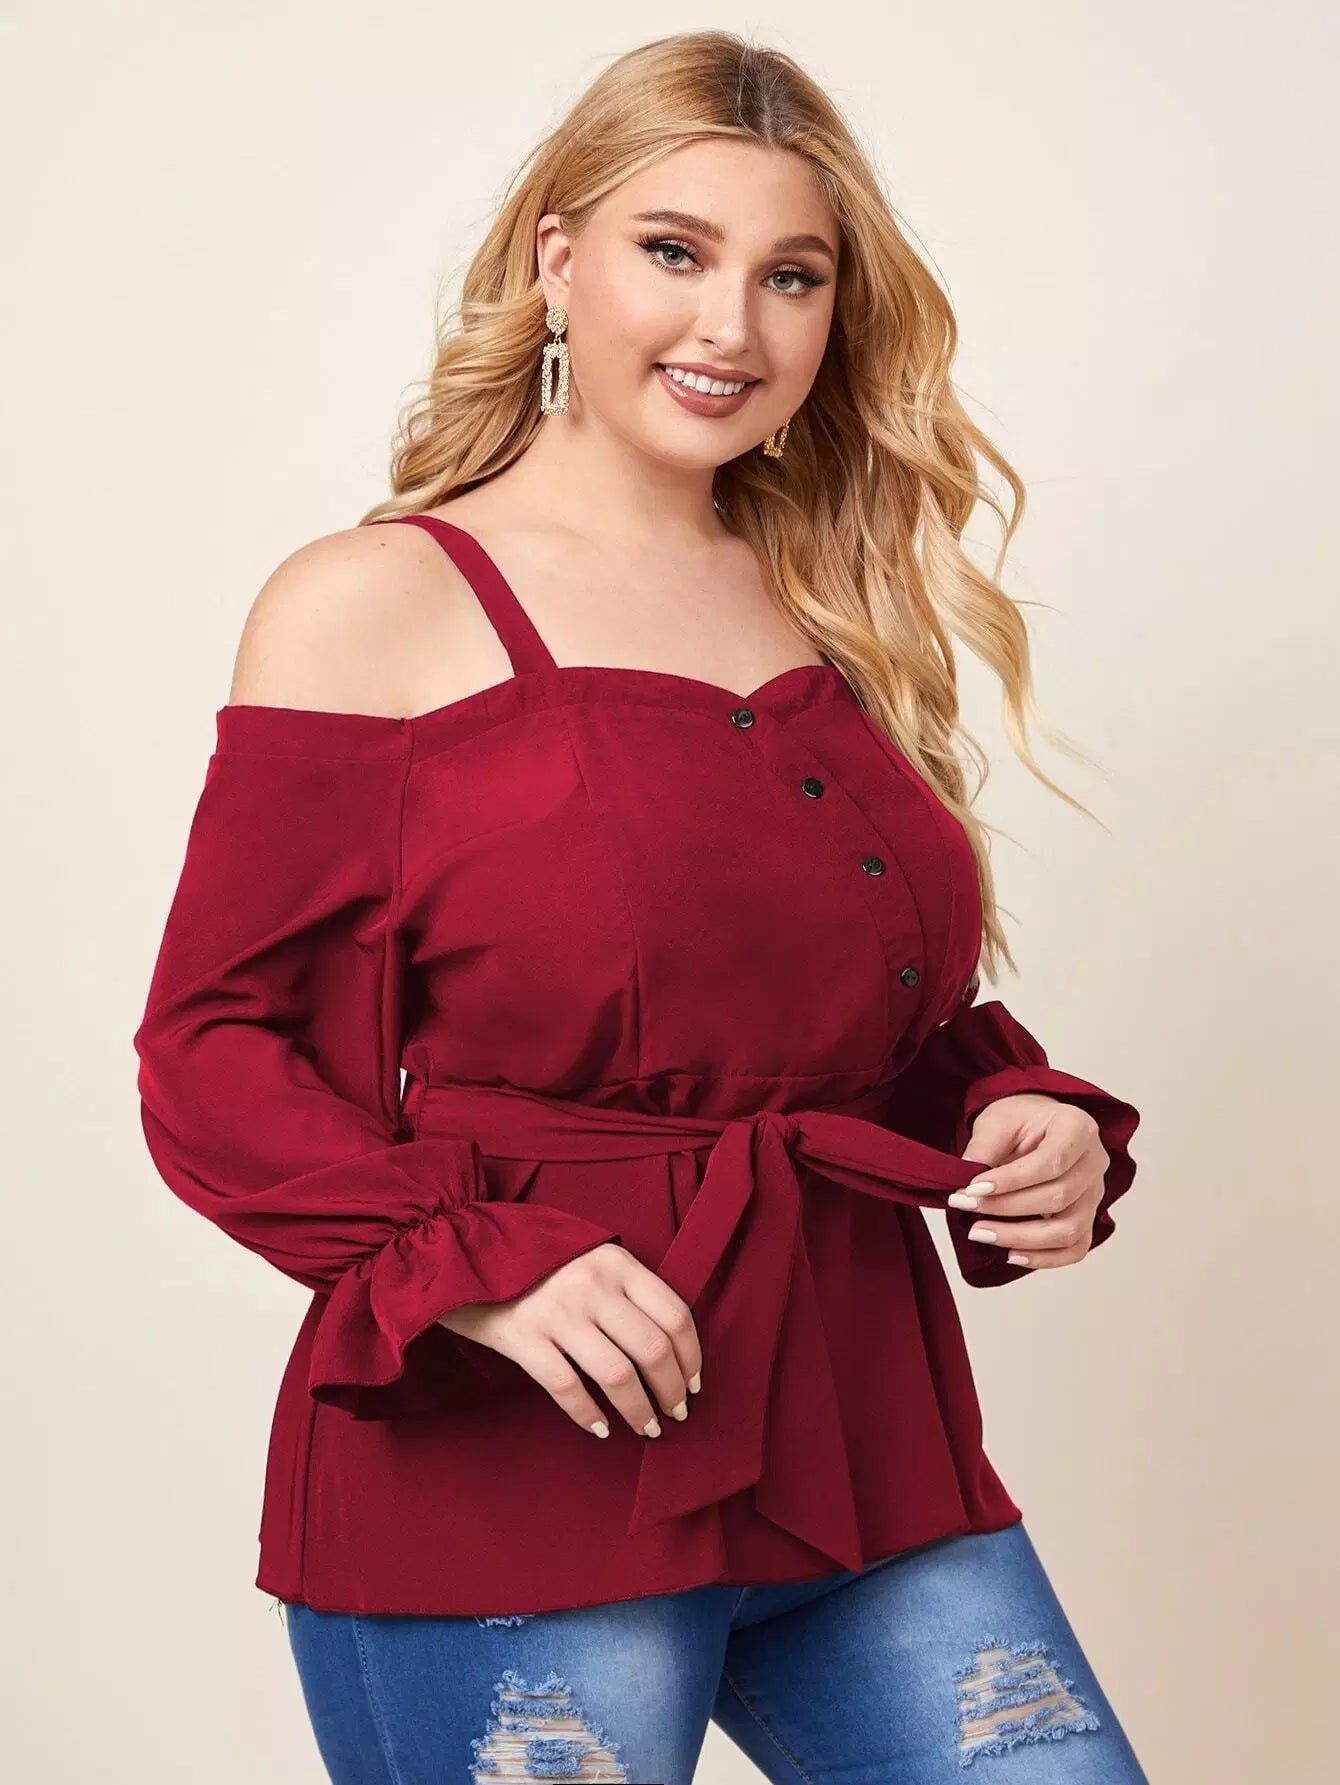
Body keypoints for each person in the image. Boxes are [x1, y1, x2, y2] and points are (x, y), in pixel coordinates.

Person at [132, 28, 1149, 1784]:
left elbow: (838, 1017)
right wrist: (469, 1274)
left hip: (860, 1438)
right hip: (516, 1466)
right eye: (674, 251)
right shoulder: (373, 604)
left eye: (791, 277)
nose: (729, 326)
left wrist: (1007, 1107)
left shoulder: (827, 595)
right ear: (557, 262)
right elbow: (214, 1047)